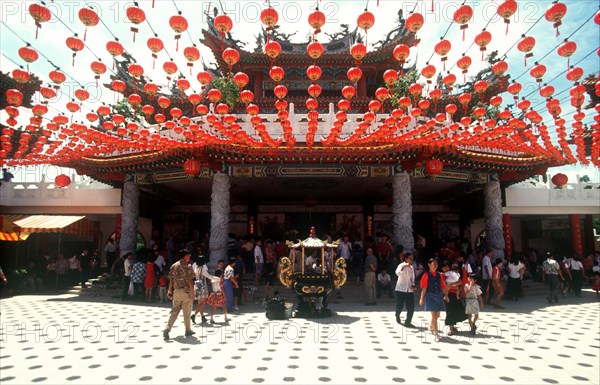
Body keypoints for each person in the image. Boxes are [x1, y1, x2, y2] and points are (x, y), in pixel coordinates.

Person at [163, 249, 195, 340]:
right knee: (187, 313)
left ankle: (167, 329)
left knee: (174, 312)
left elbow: (171, 280)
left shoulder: (174, 266)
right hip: (186, 292)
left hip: (176, 292)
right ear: (184, 256)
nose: (189, 257)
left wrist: (169, 290)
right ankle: (188, 330)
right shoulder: (188, 266)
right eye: (188, 255)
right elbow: (190, 281)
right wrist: (192, 293)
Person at [419, 258, 449, 342]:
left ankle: (431, 325)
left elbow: (443, 286)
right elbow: (424, 288)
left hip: (438, 296)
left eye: (436, 264)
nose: (435, 265)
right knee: (434, 316)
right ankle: (436, 334)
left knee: (438, 315)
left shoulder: (440, 275)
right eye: (433, 264)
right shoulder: (426, 275)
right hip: (430, 296)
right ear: (429, 265)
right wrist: (421, 298)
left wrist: (446, 295)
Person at [191, 255, 217, 325]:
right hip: (202, 286)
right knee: (203, 302)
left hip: (197, 285)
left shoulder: (195, 267)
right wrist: (217, 279)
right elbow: (209, 276)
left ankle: (202, 316)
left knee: (200, 303)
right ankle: (194, 315)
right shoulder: (203, 268)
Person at [443, 262, 467, 335]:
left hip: (455, 295)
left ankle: (452, 327)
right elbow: (446, 286)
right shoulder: (444, 275)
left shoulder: (454, 275)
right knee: (450, 311)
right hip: (449, 295)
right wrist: (453, 287)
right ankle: (451, 328)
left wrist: (454, 285)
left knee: (457, 310)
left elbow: (460, 282)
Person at [394, 252, 416, 328]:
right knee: (399, 305)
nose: (411, 259)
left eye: (412, 258)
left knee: (411, 307)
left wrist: (413, 285)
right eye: (409, 258)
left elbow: (412, 278)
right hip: (400, 289)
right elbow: (397, 273)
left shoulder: (412, 268)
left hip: (409, 289)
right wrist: (404, 267)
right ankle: (397, 315)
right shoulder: (400, 265)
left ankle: (408, 321)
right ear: (406, 259)